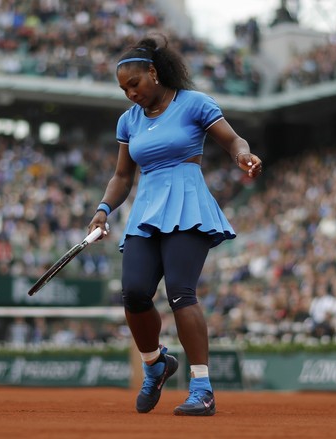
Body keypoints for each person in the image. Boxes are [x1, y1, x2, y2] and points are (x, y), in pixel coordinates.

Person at [88, 35, 262, 416]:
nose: (129, 94)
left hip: (187, 204)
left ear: (153, 72)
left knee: (181, 292)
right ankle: (156, 364)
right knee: (134, 293)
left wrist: (243, 155)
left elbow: (234, 140)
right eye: (122, 89)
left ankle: (202, 388)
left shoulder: (194, 103)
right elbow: (121, 176)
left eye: (133, 84)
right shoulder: (128, 121)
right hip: (146, 211)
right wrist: (103, 209)